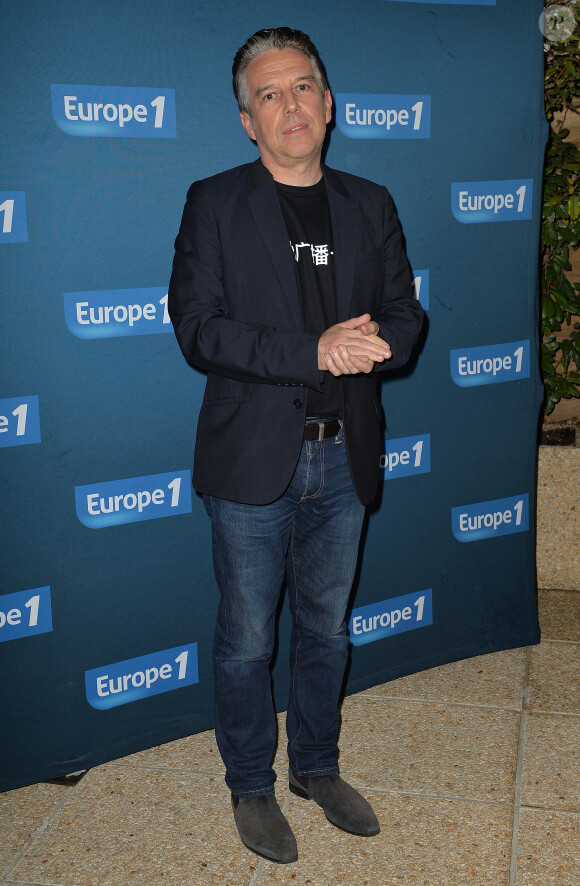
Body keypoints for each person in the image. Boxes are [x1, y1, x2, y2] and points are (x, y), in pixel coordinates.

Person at [168, 26, 424, 864]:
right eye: (269, 94)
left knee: (327, 629)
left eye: (303, 86)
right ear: (248, 119)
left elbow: (405, 314)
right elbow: (198, 329)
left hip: (345, 454)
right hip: (251, 460)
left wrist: (375, 342)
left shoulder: (370, 201)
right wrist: (314, 347)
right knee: (247, 639)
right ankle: (251, 782)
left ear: (329, 100)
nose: (290, 106)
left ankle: (316, 765)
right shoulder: (214, 202)